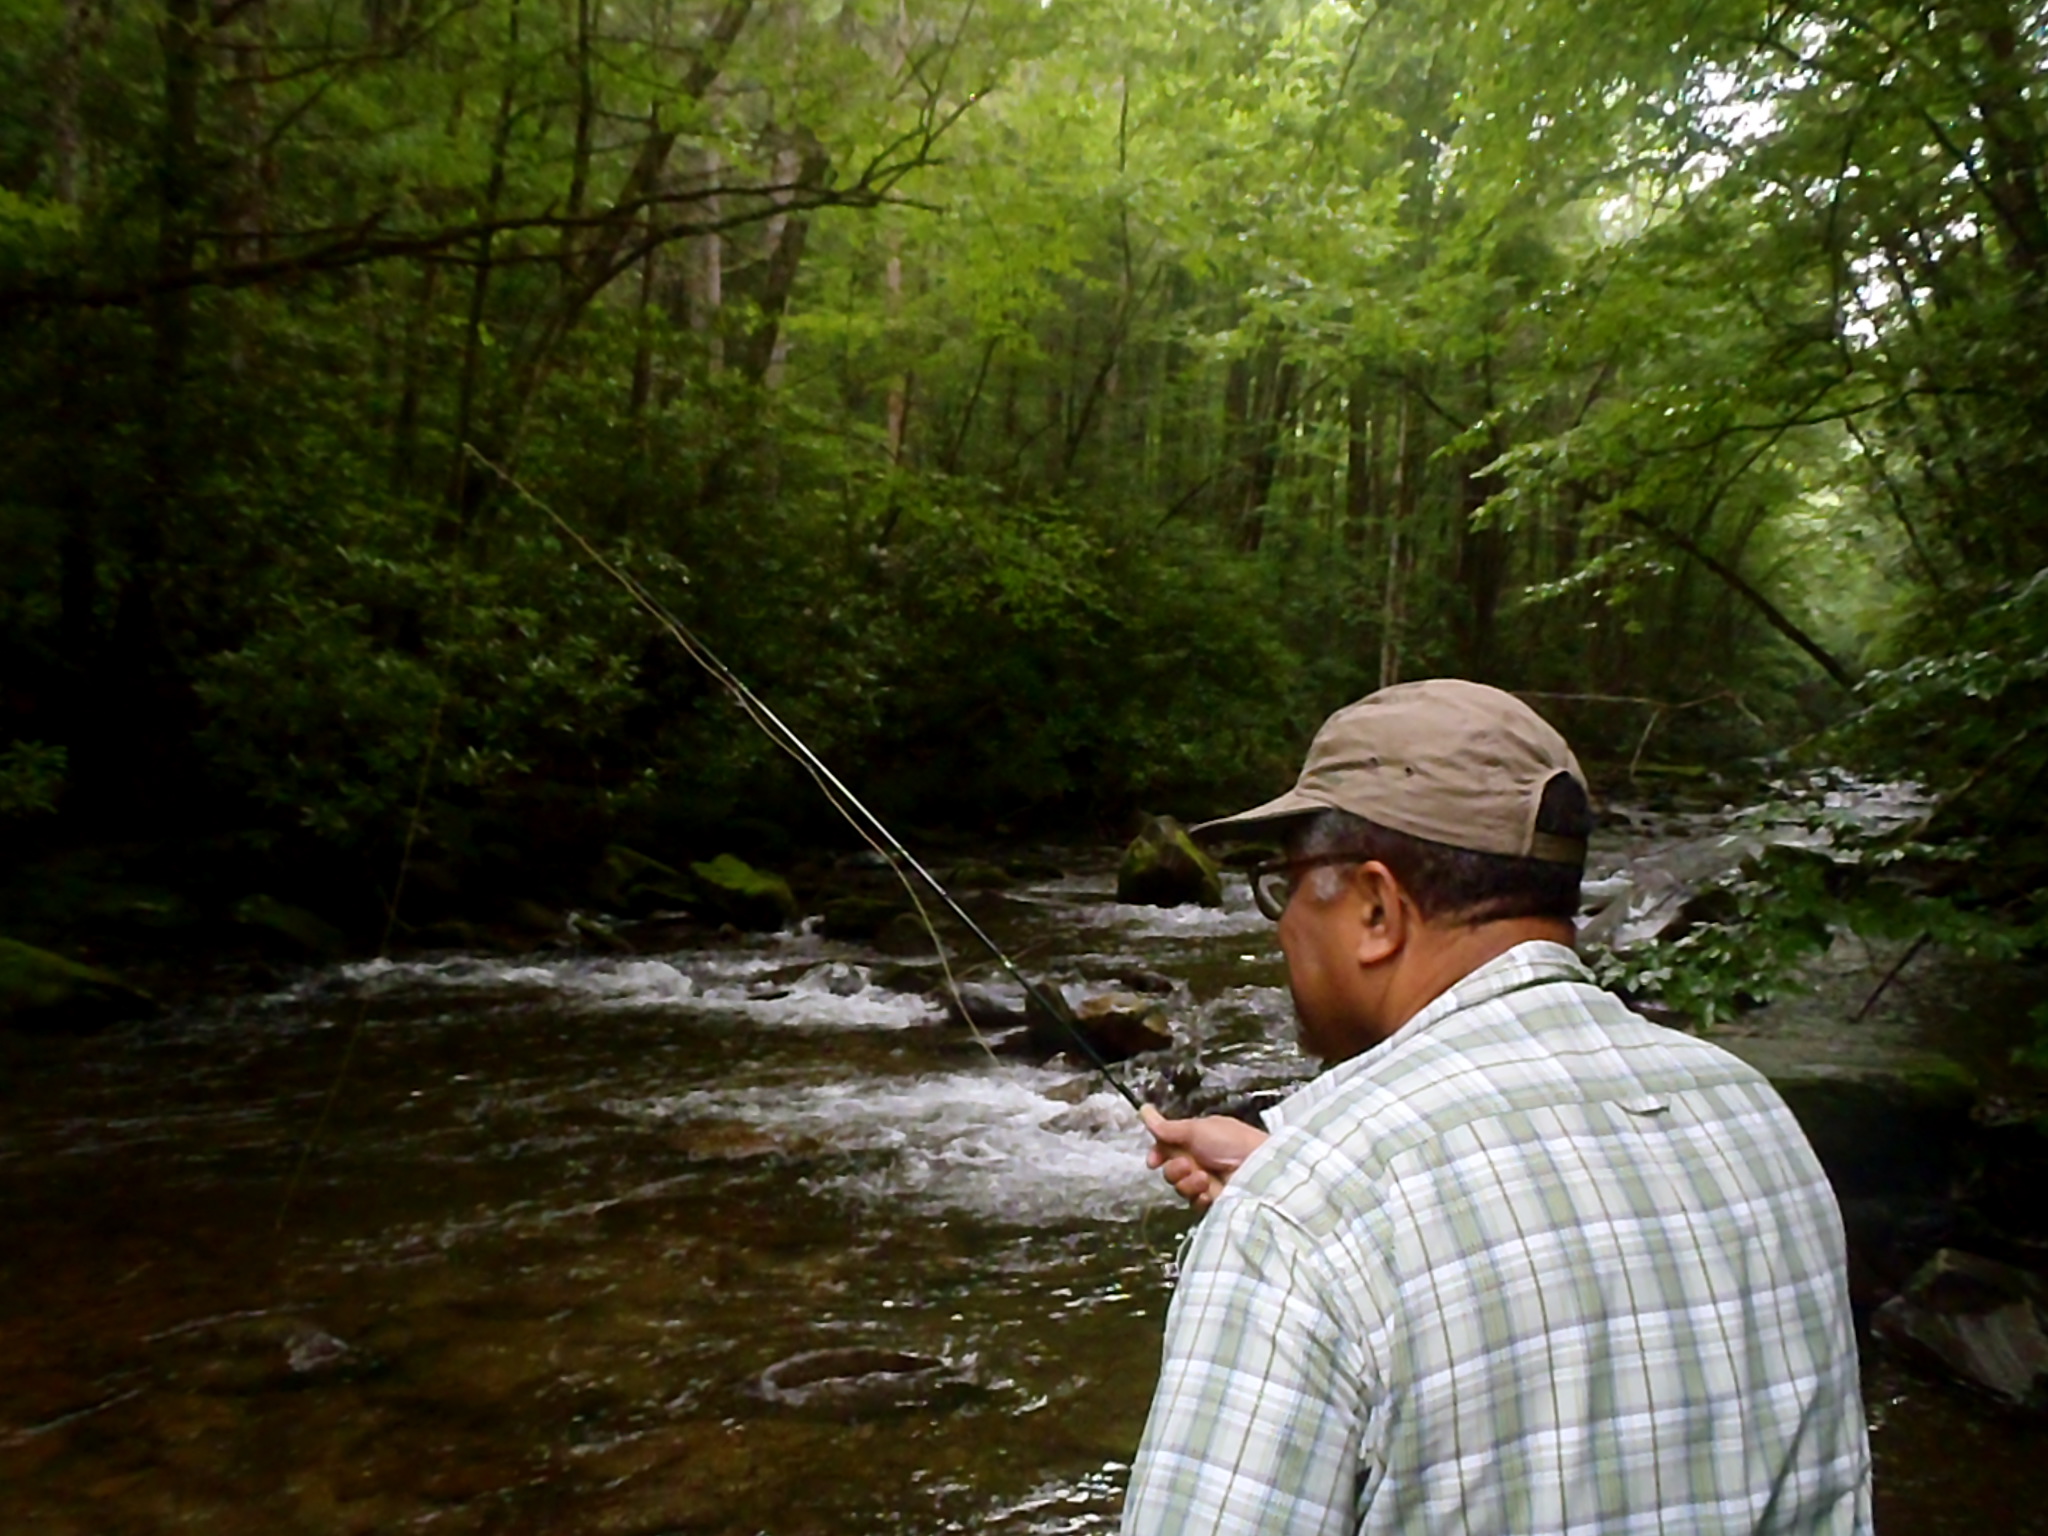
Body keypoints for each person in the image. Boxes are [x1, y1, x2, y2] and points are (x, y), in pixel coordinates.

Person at [1123, 679, 1872, 1536]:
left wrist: (1304, 1202)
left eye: (1284, 882)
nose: (1282, 922)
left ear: (1375, 908)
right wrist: (1308, 1184)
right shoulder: (1753, 1115)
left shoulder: (1297, 1225)